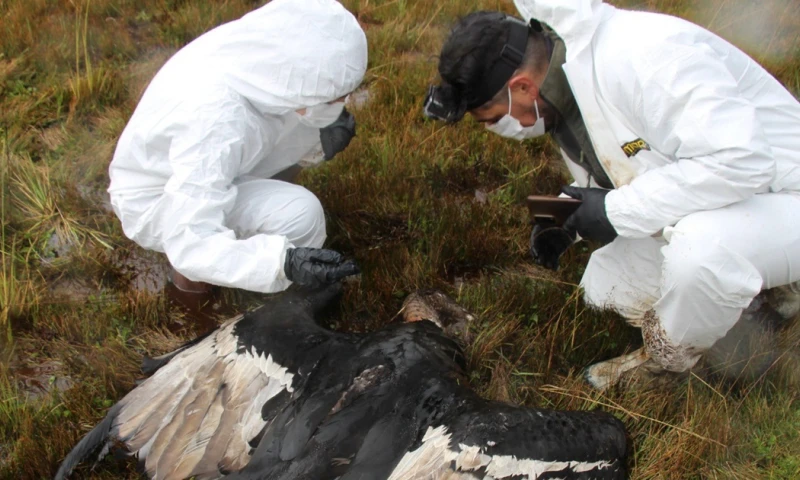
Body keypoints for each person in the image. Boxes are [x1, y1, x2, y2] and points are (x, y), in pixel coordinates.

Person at [423, 0, 800, 387]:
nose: (506, 128)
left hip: (785, 194)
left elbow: (741, 161)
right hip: (728, 195)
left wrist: (612, 212)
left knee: (699, 256)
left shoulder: (643, 57)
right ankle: (759, 290)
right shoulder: (563, 86)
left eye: (494, 119)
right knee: (605, 292)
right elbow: (625, 160)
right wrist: (561, 215)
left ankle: (664, 367)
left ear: (522, 85)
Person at [108, 0, 366, 296]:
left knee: (309, 129)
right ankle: (190, 299)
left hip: (206, 162)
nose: (341, 105)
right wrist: (283, 263)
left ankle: (248, 231)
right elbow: (191, 241)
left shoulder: (263, 58)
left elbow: (272, 121)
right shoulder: (213, 121)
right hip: (160, 198)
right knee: (302, 218)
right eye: (335, 98)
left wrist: (320, 136)